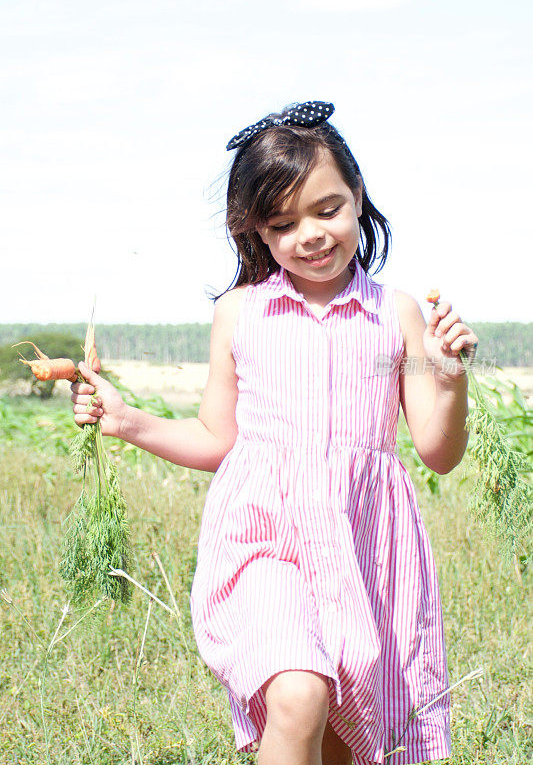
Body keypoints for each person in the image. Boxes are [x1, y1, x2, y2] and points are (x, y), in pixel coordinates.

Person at [71, 101, 479, 765]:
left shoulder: (394, 315)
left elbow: (437, 452)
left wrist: (450, 378)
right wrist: (125, 422)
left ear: (357, 196)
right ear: (255, 231)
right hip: (264, 539)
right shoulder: (241, 313)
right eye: (282, 224)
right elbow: (215, 438)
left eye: (326, 210)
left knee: (349, 732)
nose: (310, 235)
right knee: (297, 693)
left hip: (363, 547)